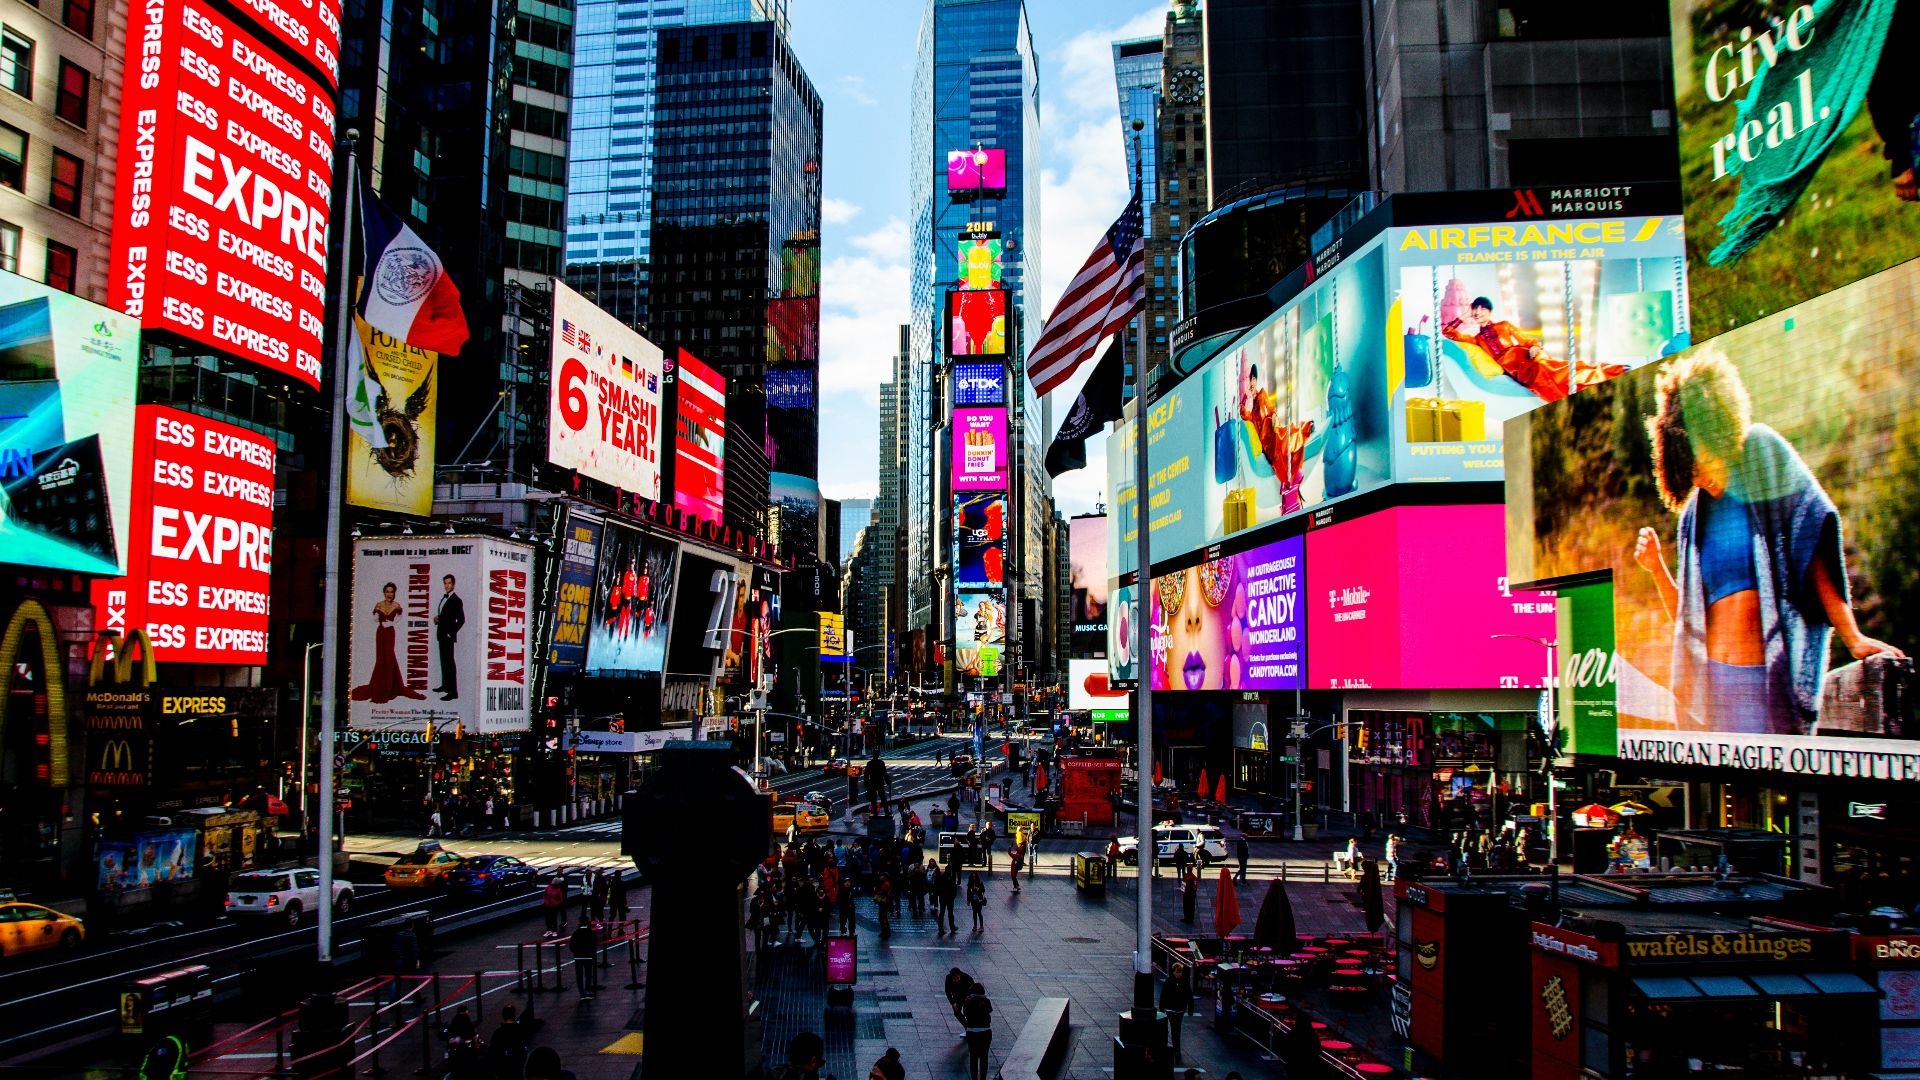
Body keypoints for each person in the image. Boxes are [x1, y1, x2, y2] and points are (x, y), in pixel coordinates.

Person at [1633, 350, 1903, 737]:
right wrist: (1657, 569)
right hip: (1713, 690)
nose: (1699, 478)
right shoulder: (1693, 518)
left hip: (1766, 683)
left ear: (1717, 429)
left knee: (1774, 792)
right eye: (1687, 471)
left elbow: (1811, 544)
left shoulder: (1762, 455)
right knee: (1725, 796)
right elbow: (1689, 621)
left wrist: (1853, 637)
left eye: (1700, 461)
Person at [1442, 294, 1622, 402]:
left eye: (1482, 308)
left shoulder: (1504, 325)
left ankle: (1606, 372)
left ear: (1490, 311)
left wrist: (1535, 347)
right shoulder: (1476, 339)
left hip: (1526, 356)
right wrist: (1463, 316)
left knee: (1549, 369)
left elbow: (1526, 340)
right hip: (1513, 369)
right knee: (1545, 378)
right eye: (1475, 309)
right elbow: (1448, 332)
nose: (1478, 312)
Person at [350, 583, 426, 703]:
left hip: (389, 632)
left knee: (389, 656)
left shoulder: (396, 605)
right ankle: (379, 686)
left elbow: (398, 619)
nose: (389, 594)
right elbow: (375, 619)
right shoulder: (378, 604)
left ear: (394, 593)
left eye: (391, 592)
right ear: (384, 592)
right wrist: (378, 613)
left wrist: (390, 624)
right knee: (380, 657)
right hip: (380, 633)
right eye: (387, 591)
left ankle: (390, 686)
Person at [431, 574, 467, 701]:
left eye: (449, 583)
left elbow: (461, 620)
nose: (447, 586)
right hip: (441, 635)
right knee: (444, 662)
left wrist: (451, 633)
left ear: (453, 584)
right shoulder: (444, 598)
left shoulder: (457, 600)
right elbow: (447, 617)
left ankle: (453, 692)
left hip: (447, 636)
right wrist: (438, 619)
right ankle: (445, 686)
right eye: (445, 583)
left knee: (449, 664)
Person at [960, 982, 993, 1080]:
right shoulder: (985, 1000)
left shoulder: (967, 1001)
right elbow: (989, 1011)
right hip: (985, 1031)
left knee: (973, 1057)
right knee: (984, 1057)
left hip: (971, 1032)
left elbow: (965, 1014)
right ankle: (983, 1078)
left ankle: (974, 1078)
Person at [1162, 963, 1193, 1061]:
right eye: (1177, 972)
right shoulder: (1179, 982)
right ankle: (1176, 1050)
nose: (1179, 974)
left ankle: (1176, 1049)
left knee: (1176, 1029)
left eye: (1180, 972)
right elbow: (1164, 995)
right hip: (1174, 1009)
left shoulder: (1170, 981)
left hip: (1178, 1009)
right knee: (1176, 1029)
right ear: (1173, 972)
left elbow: (1189, 996)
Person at [490, 1005, 528, 1077]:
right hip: (517, 1070)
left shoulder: (498, 1033)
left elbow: (493, 1052)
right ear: (514, 1015)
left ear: (503, 1016)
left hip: (503, 1072)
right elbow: (524, 1051)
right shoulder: (520, 1031)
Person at [569, 921, 600, 997]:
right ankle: (587, 989)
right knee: (588, 974)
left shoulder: (576, 933)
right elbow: (595, 943)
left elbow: (571, 945)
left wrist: (575, 952)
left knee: (579, 975)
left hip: (578, 956)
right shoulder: (591, 933)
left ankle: (581, 991)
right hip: (588, 956)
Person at [874, 873, 893, 938]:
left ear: (885, 877)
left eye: (882, 876)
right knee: (884, 917)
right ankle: (886, 931)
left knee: (882, 918)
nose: (880, 877)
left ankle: (885, 932)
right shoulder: (885, 883)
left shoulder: (885, 884)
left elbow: (882, 892)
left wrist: (877, 892)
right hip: (884, 903)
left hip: (884, 903)